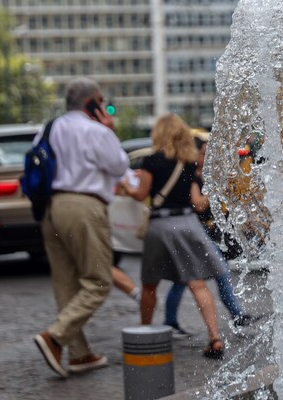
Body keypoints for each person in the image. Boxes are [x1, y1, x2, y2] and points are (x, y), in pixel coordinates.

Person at [33, 77, 129, 377]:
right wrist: (109, 129)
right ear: (92, 103)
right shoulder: (96, 130)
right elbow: (119, 166)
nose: (105, 106)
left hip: (52, 208)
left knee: (66, 283)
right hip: (84, 206)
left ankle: (79, 354)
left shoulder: (48, 128)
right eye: (102, 101)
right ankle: (55, 336)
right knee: (98, 281)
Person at [121, 113, 225, 359]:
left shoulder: (151, 162)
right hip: (187, 223)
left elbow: (140, 195)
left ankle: (145, 333)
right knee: (197, 283)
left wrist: (126, 187)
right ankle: (215, 337)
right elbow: (194, 200)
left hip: (161, 224)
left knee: (149, 284)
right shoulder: (188, 163)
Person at [163, 136, 254, 336]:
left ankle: (169, 321)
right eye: (203, 153)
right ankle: (236, 315)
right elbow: (198, 204)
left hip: (199, 232)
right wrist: (214, 192)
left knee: (183, 278)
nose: (207, 156)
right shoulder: (190, 176)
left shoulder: (202, 175)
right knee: (219, 271)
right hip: (193, 232)